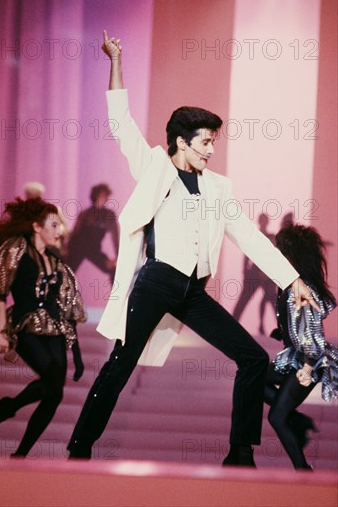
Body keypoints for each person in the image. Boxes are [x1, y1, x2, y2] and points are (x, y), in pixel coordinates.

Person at [67, 30, 319, 466]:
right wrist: (116, 62)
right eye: (205, 142)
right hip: (155, 284)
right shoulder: (155, 167)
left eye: (213, 143)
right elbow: (119, 124)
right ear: (182, 142)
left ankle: (239, 454)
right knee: (119, 368)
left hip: (192, 292)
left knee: (252, 357)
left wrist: (292, 279)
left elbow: (248, 235)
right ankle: (79, 449)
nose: (210, 150)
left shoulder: (219, 187)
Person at [0, 197, 86, 458]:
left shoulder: (56, 261)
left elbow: (68, 305)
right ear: (37, 227)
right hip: (25, 326)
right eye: (53, 224)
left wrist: (77, 353)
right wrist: (3, 330)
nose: (59, 230)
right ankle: (8, 409)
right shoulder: (17, 248)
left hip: (55, 330)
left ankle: (20, 451)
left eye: (59, 225)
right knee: (51, 376)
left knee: (55, 393)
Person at [265, 224, 337, 470]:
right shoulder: (291, 284)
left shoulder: (301, 289)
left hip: (309, 361)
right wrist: (283, 332)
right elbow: (298, 325)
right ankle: (298, 421)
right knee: (252, 376)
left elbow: (311, 332)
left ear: (291, 256)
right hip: (297, 356)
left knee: (276, 417)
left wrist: (306, 368)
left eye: (280, 252)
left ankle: (302, 470)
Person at [65, 183, 119, 284]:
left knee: (113, 270)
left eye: (106, 195)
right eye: (103, 195)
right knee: (67, 274)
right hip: (77, 248)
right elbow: (75, 233)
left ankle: (117, 298)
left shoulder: (109, 215)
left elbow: (115, 236)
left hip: (94, 250)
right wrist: (66, 249)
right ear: (96, 195)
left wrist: (118, 256)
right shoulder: (85, 213)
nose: (105, 198)